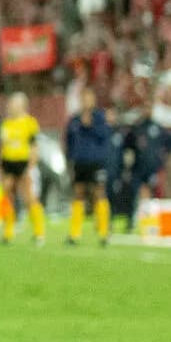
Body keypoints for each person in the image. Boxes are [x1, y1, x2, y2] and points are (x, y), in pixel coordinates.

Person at [64, 93, 114, 247]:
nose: (86, 101)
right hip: (79, 163)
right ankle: (74, 234)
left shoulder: (100, 118)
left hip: (96, 162)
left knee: (99, 193)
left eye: (88, 98)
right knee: (78, 194)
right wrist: (69, 159)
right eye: (84, 99)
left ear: (93, 100)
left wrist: (91, 125)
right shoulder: (74, 119)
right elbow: (69, 141)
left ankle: (104, 233)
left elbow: (105, 135)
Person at [0, 93, 43, 245]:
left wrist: (31, 166)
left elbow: (34, 147)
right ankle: (8, 232)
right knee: (7, 195)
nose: (10, 107)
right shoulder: (6, 124)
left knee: (28, 197)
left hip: (23, 163)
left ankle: (39, 232)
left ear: (22, 106)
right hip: (8, 162)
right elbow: (1, 147)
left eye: (13, 104)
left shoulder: (29, 123)